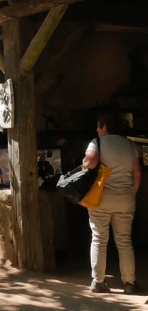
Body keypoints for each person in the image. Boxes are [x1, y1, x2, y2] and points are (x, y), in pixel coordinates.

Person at [83, 115, 142, 294]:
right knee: (124, 240)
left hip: (101, 198)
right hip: (125, 197)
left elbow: (90, 163)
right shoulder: (130, 145)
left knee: (99, 238)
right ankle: (130, 282)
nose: (96, 130)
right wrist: (131, 193)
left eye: (98, 127)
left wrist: (84, 162)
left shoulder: (97, 143)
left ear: (105, 127)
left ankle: (98, 281)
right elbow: (137, 175)